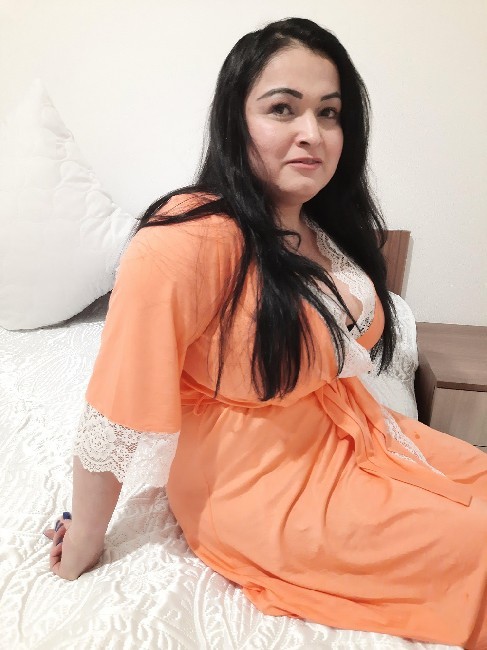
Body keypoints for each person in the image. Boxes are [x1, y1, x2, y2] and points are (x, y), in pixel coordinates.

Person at [44, 18, 487, 648]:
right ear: (235, 119)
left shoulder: (323, 228)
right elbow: (115, 410)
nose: (312, 133)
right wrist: (83, 542)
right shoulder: (187, 237)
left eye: (329, 113)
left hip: (356, 433)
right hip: (261, 486)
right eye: (283, 108)